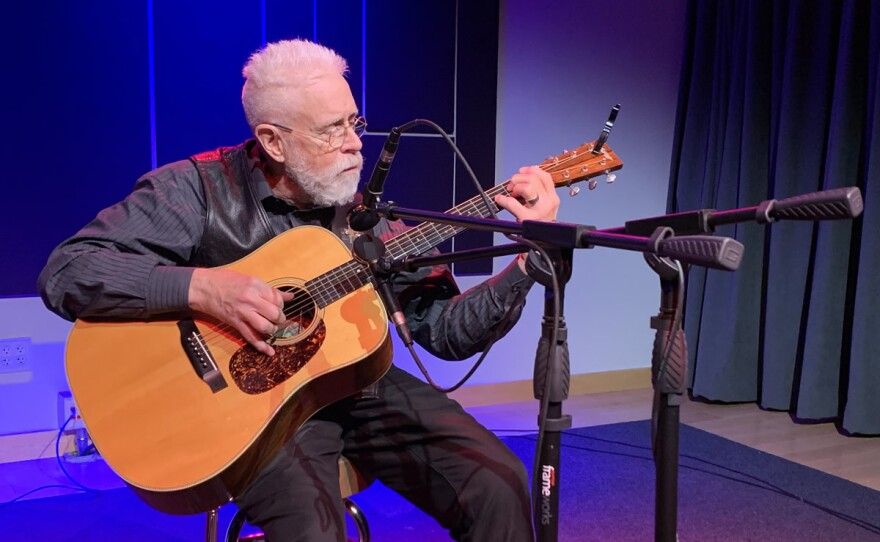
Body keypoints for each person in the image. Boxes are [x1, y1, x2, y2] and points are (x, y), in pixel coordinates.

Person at [39, 39, 559, 541]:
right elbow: (68, 271)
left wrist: (527, 261)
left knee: (497, 480)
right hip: (256, 419)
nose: (356, 143)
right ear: (273, 141)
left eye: (354, 122)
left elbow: (447, 334)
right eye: (332, 130)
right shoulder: (195, 190)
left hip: (358, 387)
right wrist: (202, 288)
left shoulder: (363, 217)